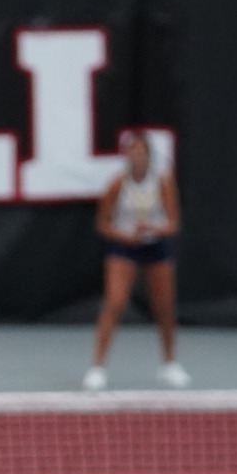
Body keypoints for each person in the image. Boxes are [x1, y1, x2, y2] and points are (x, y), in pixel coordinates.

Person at [84, 130, 189, 391]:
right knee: (115, 303)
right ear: (126, 155)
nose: (137, 156)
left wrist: (152, 229)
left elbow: (173, 224)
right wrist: (124, 236)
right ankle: (97, 368)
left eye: (142, 152)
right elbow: (102, 223)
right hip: (124, 248)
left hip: (157, 248)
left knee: (165, 307)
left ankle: (169, 365)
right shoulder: (117, 184)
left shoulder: (162, 182)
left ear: (149, 156)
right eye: (132, 151)